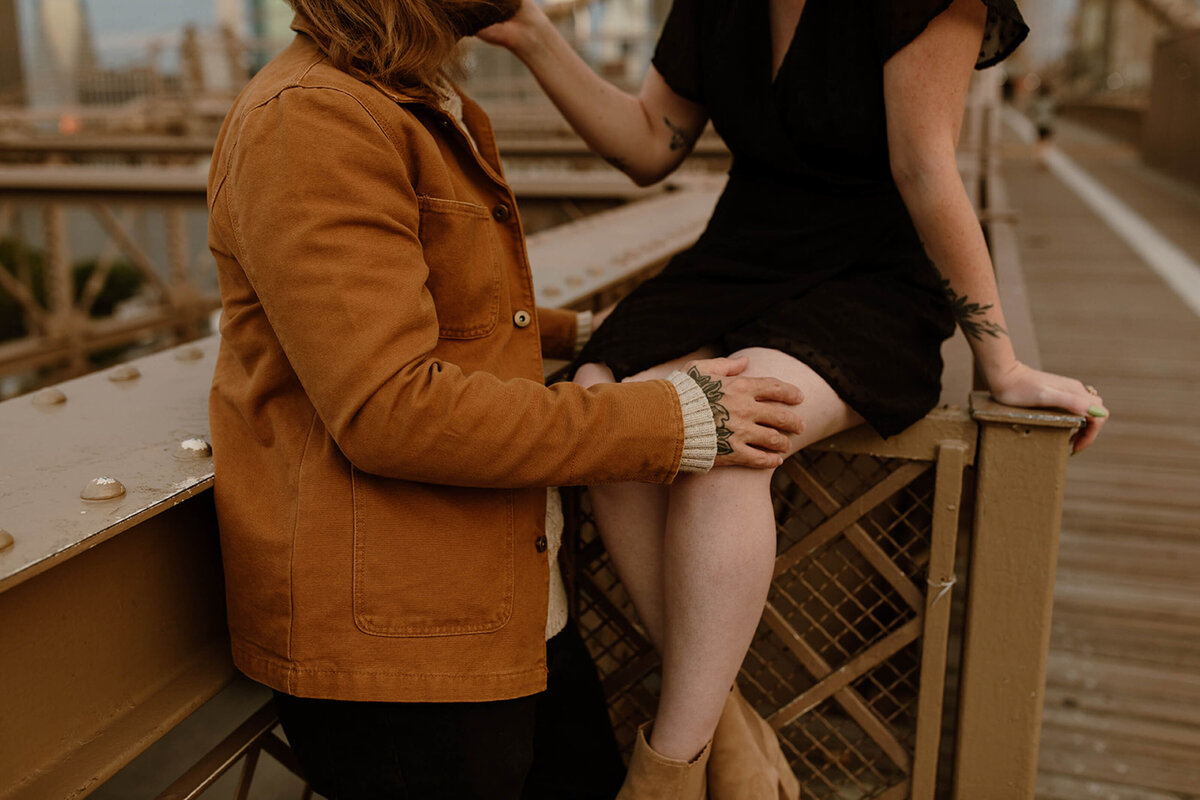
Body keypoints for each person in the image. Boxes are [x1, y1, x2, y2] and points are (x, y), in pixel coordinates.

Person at [479, 0, 1110, 797]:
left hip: (870, 276)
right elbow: (649, 144)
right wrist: (535, 35)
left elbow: (925, 167)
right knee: (618, 407)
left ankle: (665, 772)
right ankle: (724, 726)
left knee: (737, 428)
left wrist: (1003, 361)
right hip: (741, 254)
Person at [204, 0, 808, 798]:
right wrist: (674, 418)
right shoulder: (312, 119)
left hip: (496, 602)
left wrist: (590, 333)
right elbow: (391, 409)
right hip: (401, 652)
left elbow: (437, 307)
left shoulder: (408, 100)